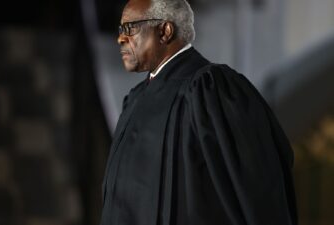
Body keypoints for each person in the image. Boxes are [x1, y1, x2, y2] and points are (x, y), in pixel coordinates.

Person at [100, 0, 298, 224]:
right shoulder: (135, 99)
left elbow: (257, 195)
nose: (121, 38)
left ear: (165, 31)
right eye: (120, 30)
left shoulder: (212, 91)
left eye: (130, 28)